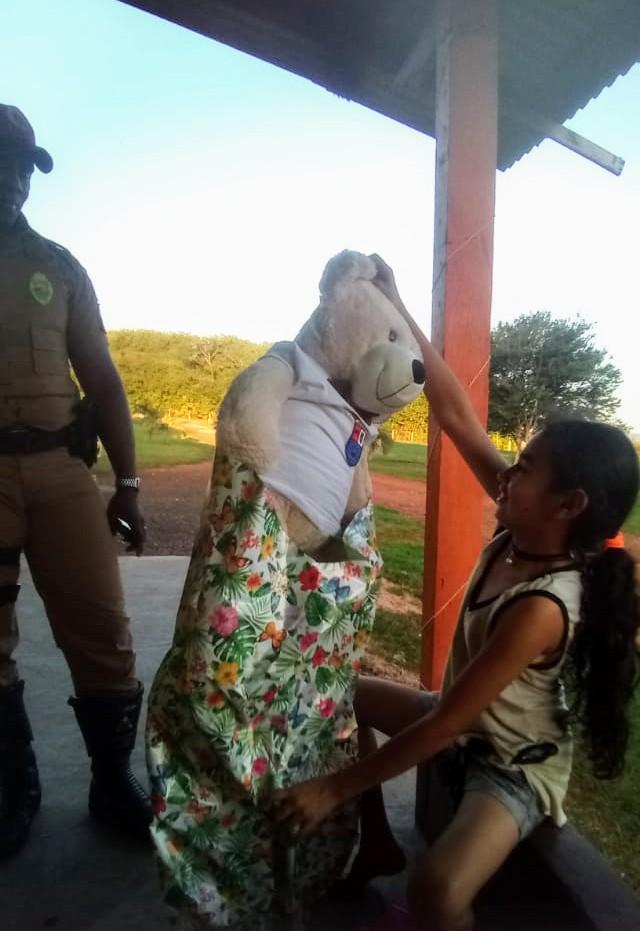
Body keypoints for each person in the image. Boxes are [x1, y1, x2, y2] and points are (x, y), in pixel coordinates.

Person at [271, 256, 640, 931]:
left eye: (525, 467)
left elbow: (446, 726)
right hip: (459, 721)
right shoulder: (521, 527)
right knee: (341, 693)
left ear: (569, 504)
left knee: (437, 890)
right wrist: (399, 305)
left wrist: (331, 788)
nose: (508, 474)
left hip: (509, 766)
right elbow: (458, 416)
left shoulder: (543, 606)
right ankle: (376, 841)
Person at [0, 104, 152, 859]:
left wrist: (128, 483)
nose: (12, 178)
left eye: (22, 166)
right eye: (2, 162)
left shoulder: (59, 267)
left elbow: (104, 380)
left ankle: (111, 781)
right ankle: (11, 788)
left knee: (102, 629)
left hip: (62, 474)